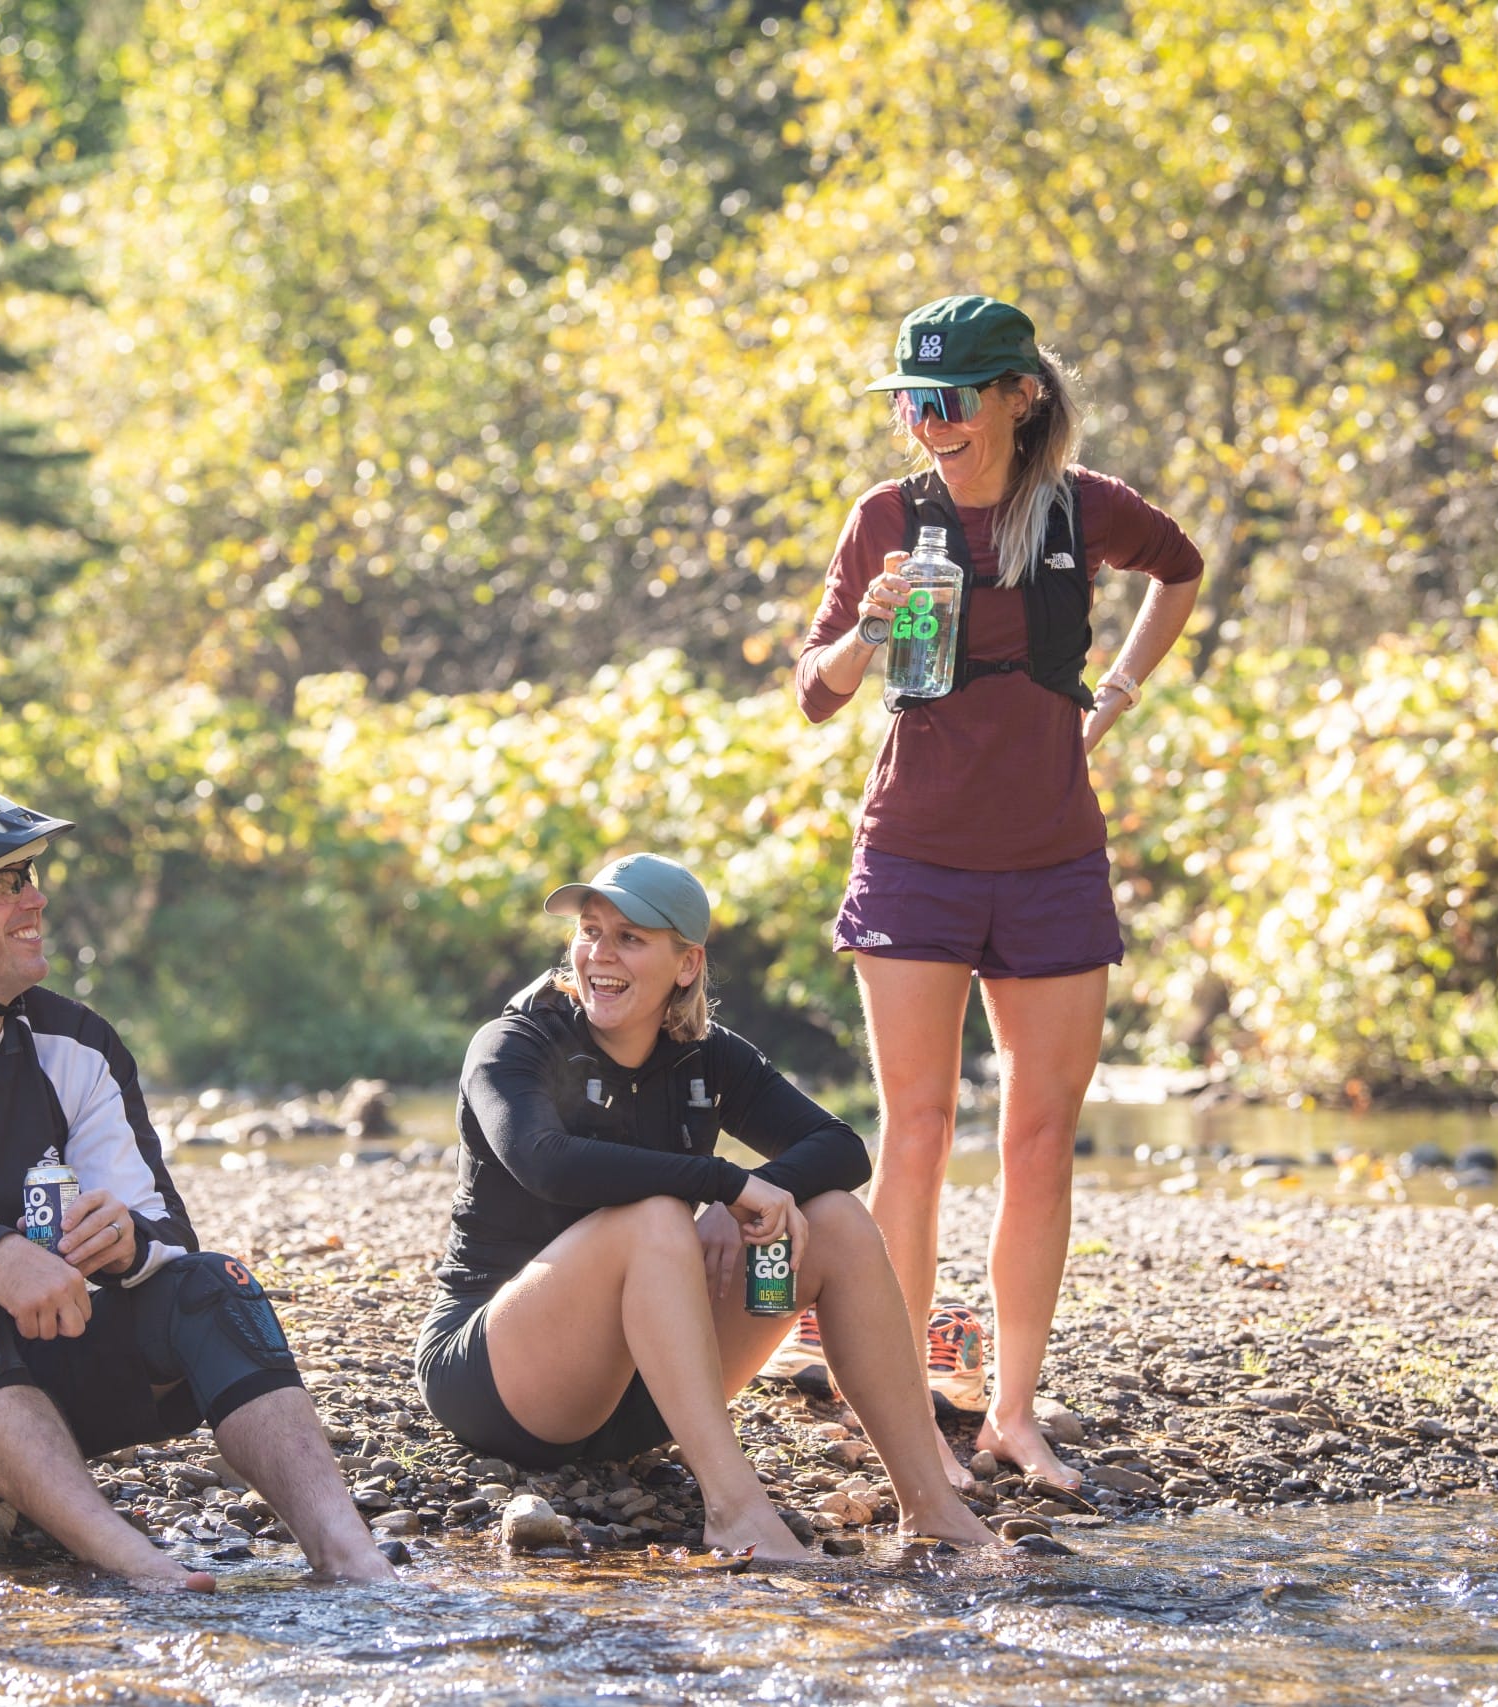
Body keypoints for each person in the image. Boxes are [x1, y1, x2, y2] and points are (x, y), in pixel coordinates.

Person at [0, 782, 392, 1590]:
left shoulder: (77, 1042)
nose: (35, 899)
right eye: (1, 883)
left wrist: (126, 1244)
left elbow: (167, 1234)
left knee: (213, 1285)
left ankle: (356, 1562)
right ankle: (134, 1562)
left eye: (28, 875)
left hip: (20, 1379)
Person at [793, 296, 1203, 1488]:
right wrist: (866, 634)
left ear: (1020, 396)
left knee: (1038, 1139)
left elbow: (1179, 569)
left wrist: (1115, 696)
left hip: (1051, 859)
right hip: (913, 854)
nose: (929, 423)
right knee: (915, 1132)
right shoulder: (887, 518)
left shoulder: (1084, 508)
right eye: (911, 402)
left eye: (950, 399)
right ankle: (903, 1409)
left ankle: (1012, 1414)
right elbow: (814, 695)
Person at [414, 852, 997, 1560]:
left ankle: (932, 1506)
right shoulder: (515, 1042)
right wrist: (723, 1183)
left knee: (837, 1218)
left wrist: (739, 1200)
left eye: (630, 937)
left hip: (645, 1399)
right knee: (657, 1216)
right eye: (591, 931)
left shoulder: (707, 1055)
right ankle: (734, 1510)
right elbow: (544, 1161)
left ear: (686, 963)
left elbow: (841, 1148)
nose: (601, 952)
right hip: (501, 1381)